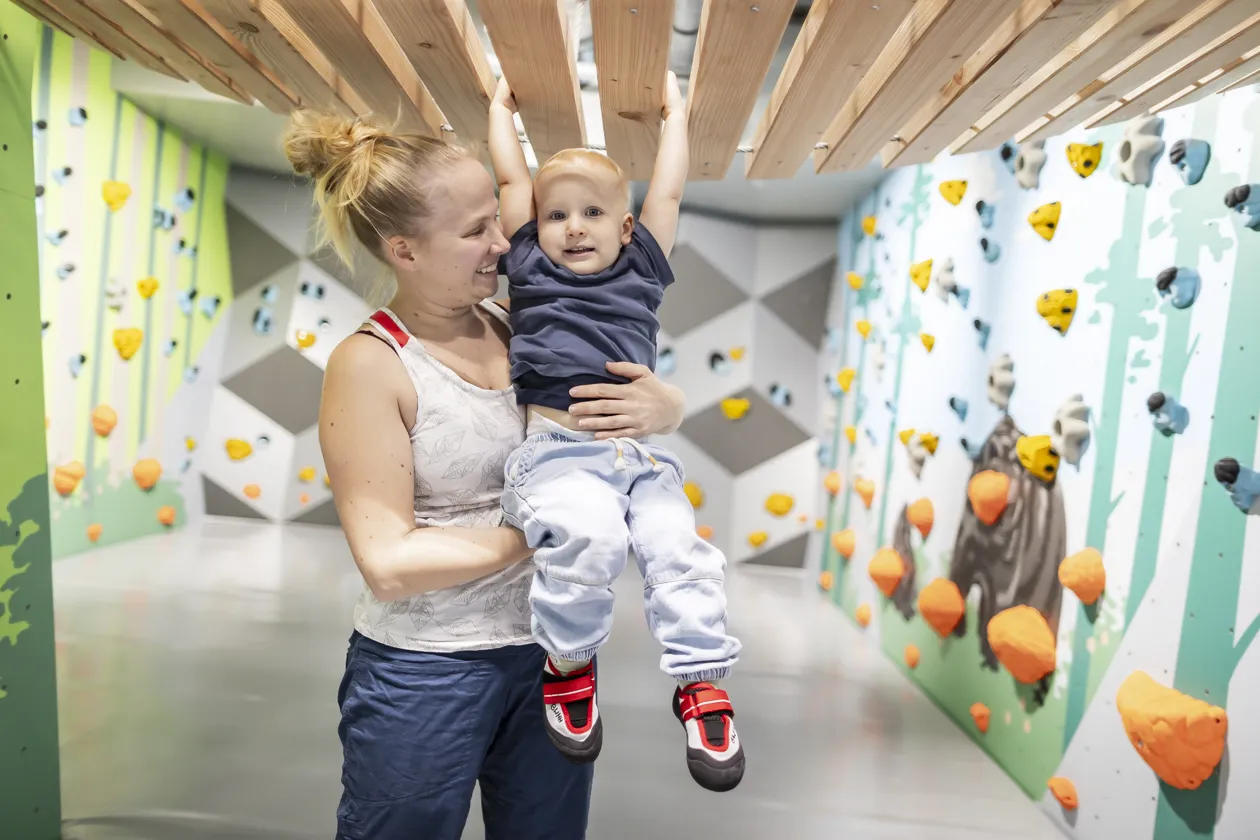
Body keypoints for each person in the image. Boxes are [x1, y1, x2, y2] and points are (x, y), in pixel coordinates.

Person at [283, 109, 688, 840]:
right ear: (404, 250)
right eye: (476, 230)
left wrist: (665, 408)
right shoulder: (372, 364)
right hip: (427, 673)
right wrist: (557, 530)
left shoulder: (517, 323)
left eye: (496, 222)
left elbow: (609, 425)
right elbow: (388, 563)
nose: (505, 242)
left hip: (551, 657)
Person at [488, 71, 744, 792]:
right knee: (591, 539)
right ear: (536, 227)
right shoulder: (529, 267)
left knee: (681, 551)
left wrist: (674, 117)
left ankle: (701, 680)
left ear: (625, 228)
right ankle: (569, 663)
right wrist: (500, 110)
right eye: (557, 215)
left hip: (637, 455)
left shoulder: (643, 268)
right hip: (557, 456)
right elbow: (511, 178)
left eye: (593, 212)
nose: (573, 227)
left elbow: (668, 193)